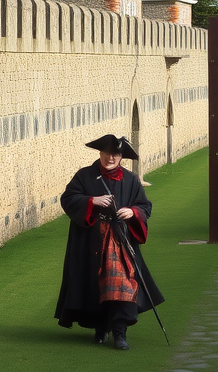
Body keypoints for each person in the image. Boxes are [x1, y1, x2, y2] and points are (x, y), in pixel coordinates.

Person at [55, 134, 164, 351]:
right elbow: (67, 198)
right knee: (96, 284)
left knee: (123, 284)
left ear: (121, 156)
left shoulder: (131, 179)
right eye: (107, 153)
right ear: (100, 154)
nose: (110, 158)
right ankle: (100, 327)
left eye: (115, 154)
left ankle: (120, 332)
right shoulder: (85, 176)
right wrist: (91, 201)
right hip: (91, 240)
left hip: (120, 241)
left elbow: (145, 206)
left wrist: (132, 212)